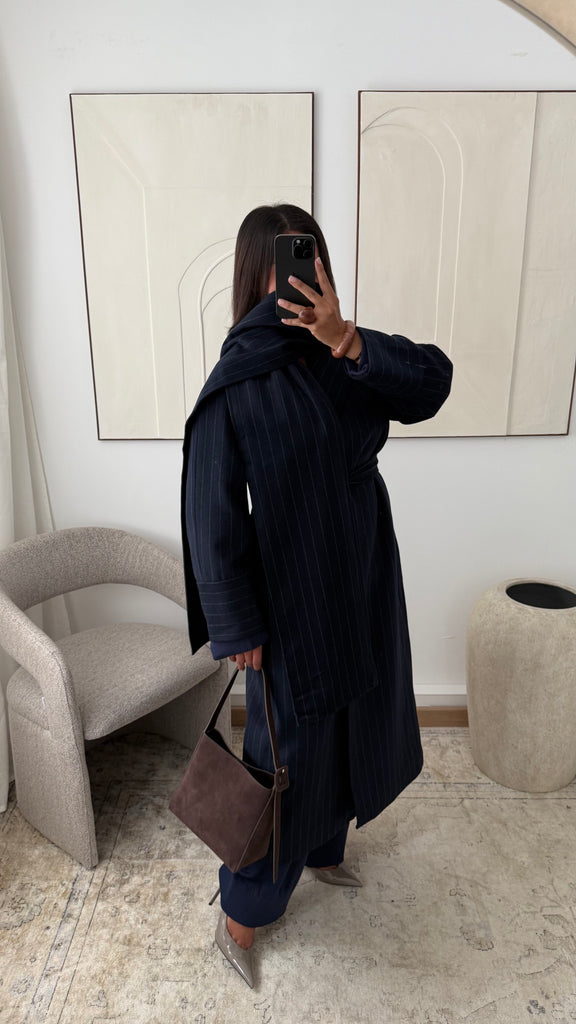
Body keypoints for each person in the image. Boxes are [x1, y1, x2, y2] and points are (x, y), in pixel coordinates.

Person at [181, 203, 453, 988]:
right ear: (253, 276)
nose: (295, 283)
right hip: (290, 597)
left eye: (307, 261)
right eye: (280, 267)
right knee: (286, 755)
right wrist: (238, 625)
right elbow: (210, 511)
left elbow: (431, 383)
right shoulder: (238, 379)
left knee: (357, 721)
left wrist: (348, 338)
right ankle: (242, 912)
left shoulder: (345, 354)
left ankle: (326, 849)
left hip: (363, 578)